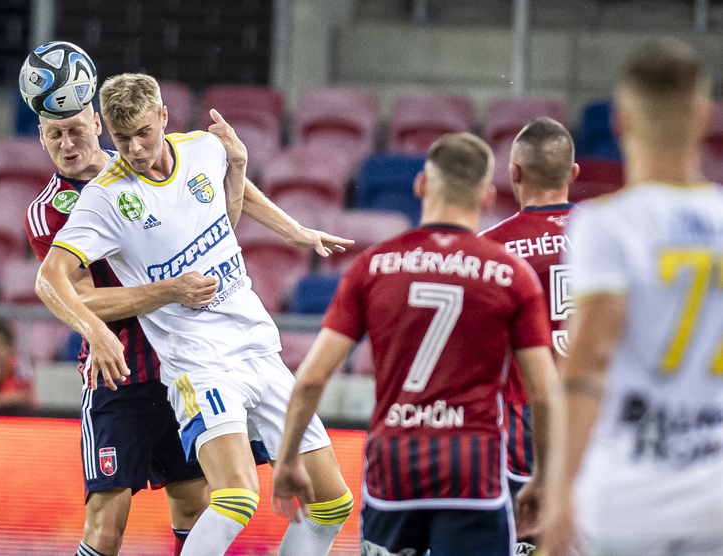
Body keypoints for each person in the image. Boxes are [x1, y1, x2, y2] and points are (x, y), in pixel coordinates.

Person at [34, 73, 354, 556]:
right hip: (198, 364)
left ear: (164, 117)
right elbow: (49, 279)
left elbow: (221, 220)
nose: (135, 149)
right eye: (123, 139)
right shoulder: (104, 197)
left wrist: (257, 189)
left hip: (257, 347)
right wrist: (93, 329)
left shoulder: (203, 149)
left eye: (144, 133)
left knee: (332, 503)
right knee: (235, 499)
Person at [272, 132, 558, 556]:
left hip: (395, 464)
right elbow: (544, 392)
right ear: (486, 196)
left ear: (421, 185)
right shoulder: (510, 274)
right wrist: (544, 476)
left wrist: (288, 459)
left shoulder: (374, 266)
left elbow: (312, 377)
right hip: (472, 468)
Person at [544, 40, 723, 556]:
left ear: (620, 121)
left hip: (628, 497)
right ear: (705, 118)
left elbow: (588, 363)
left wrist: (559, 493)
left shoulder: (606, 224)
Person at [479, 117, 577, 549]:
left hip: (525, 429)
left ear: (514, 172)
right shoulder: (610, 236)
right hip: (599, 419)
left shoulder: (490, 249)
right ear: (574, 173)